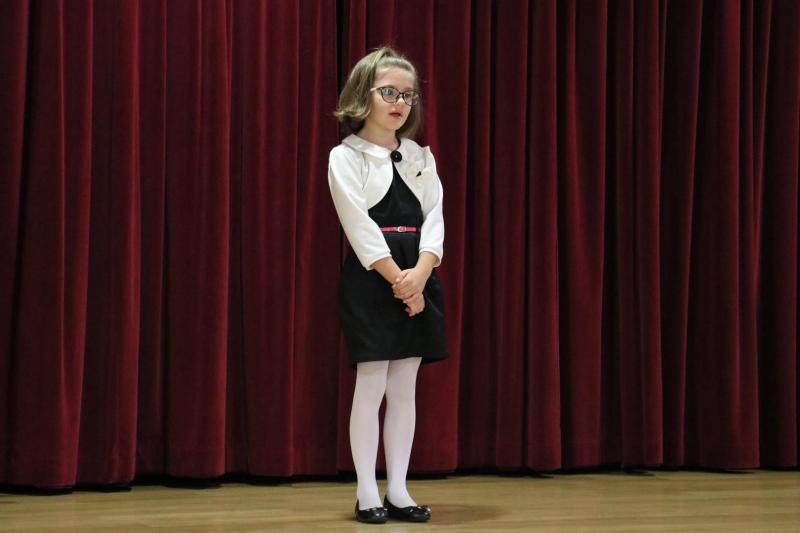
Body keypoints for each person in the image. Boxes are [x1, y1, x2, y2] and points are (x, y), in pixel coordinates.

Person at [328, 46, 448, 524]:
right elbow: (358, 226)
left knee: (404, 387)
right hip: (373, 278)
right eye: (389, 92)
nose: (400, 102)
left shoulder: (420, 156)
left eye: (408, 95)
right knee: (372, 381)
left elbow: (434, 218)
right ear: (364, 95)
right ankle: (366, 493)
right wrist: (399, 279)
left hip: (418, 273)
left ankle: (398, 489)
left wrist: (421, 273)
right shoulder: (346, 156)